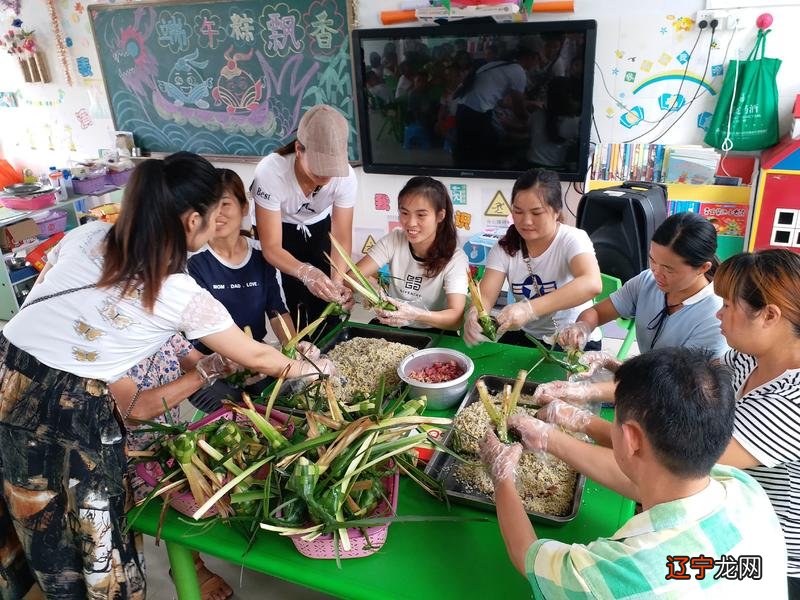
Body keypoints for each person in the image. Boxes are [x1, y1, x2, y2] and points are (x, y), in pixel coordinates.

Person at [0, 152, 332, 598]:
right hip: (71, 410)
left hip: (8, 377)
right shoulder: (176, 291)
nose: (219, 224)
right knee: (94, 546)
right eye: (214, 216)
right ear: (192, 220)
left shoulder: (86, 234)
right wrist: (310, 365)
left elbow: (50, 310)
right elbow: (256, 356)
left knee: (36, 526)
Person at [480, 347, 788, 597]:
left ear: (631, 439)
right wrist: (554, 435)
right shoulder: (744, 488)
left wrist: (503, 477)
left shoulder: (619, 574)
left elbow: (527, 556)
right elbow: (646, 482)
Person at [538, 211, 728, 405]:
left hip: (675, 401)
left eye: (669, 269)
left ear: (703, 268)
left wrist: (588, 390)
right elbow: (596, 312)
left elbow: (673, 386)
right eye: (653, 261)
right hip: (645, 380)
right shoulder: (647, 281)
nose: (657, 273)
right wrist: (583, 327)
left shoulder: (716, 316)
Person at [115, 335, 235, 600]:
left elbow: (196, 361)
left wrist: (242, 362)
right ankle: (192, 566)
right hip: (121, 457)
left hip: (165, 442)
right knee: (176, 500)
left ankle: (192, 559)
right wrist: (204, 373)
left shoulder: (164, 325)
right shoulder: (108, 335)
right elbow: (135, 409)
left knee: (201, 484)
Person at [711, 250, 800, 596]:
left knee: (671, 569)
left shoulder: (790, 402)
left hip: (772, 561)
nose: (719, 314)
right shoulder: (748, 357)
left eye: (728, 305)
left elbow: (684, 457)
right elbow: (692, 385)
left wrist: (562, 435)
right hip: (738, 521)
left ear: (769, 315)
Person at [189, 169, 309, 413]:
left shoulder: (262, 255)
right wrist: (234, 362)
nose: (218, 214)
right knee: (237, 415)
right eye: (209, 207)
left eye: (225, 204)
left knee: (288, 405)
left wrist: (294, 348)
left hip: (257, 358)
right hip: (211, 366)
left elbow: (277, 311)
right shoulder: (194, 262)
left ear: (244, 207)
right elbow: (196, 333)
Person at [462, 169, 601, 348]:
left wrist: (529, 309)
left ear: (556, 211)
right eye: (518, 212)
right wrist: (474, 314)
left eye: (536, 213)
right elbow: (486, 297)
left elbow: (592, 283)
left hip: (573, 339)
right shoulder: (505, 247)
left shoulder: (572, 239)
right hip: (530, 338)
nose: (526, 221)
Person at [252, 104, 355, 335]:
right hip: (282, 231)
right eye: (319, 169)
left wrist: (337, 282)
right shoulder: (270, 172)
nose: (326, 176)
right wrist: (306, 273)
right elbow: (271, 247)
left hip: (319, 228)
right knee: (293, 298)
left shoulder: (347, 177)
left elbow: (341, 237)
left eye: (332, 169)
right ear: (299, 149)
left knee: (327, 300)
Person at [353, 176, 468, 330]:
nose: (411, 223)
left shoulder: (455, 258)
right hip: (393, 324)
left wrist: (415, 315)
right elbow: (351, 276)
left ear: (440, 216)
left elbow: (456, 319)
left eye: (421, 215)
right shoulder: (394, 239)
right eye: (405, 213)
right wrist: (371, 287)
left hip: (434, 329)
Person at [453, 46, 537, 169]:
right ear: (529, 58)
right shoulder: (518, 70)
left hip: (462, 108)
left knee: (466, 149)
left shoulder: (495, 65)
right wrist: (531, 122)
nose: (536, 64)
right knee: (485, 152)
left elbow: (501, 101)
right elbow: (518, 107)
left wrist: (529, 103)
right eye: (535, 60)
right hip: (478, 112)